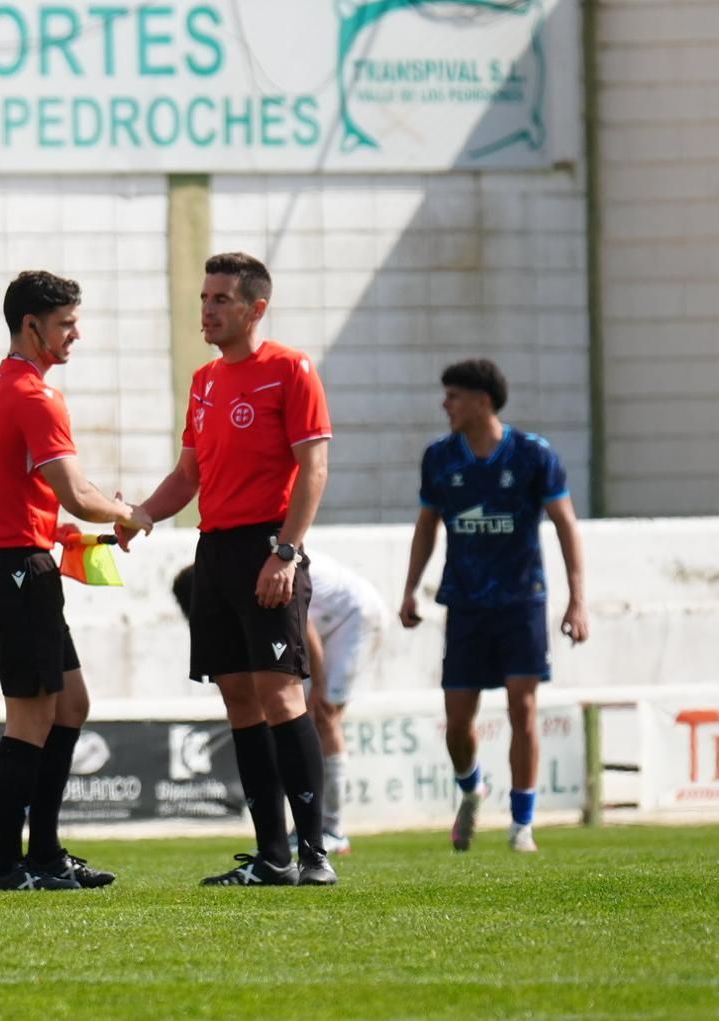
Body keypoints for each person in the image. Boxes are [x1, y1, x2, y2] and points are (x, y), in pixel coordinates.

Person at [120, 251, 336, 887]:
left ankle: (314, 852)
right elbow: (188, 475)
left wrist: (286, 552)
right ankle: (272, 856)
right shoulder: (205, 381)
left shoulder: (290, 370)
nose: (207, 310)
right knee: (239, 699)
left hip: (268, 547)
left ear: (255, 308)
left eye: (221, 299)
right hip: (214, 551)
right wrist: (141, 515)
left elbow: (314, 469)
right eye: (205, 298)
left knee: (280, 693)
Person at [0, 269, 152, 892]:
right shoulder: (33, 394)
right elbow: (76, 492)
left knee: (71, 704)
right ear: (30, 325)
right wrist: (130, 514)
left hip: (17, 565)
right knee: (29, 718)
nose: (76, 334)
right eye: (66, 323)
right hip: (15, 570)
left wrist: (64, 531)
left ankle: (42, 854)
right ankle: (6, 867)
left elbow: (35, 496)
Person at [399, 358, 589, 853]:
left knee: (522, 709)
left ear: (482, 401)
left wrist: (577, 601)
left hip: (521, 601)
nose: (445, 405)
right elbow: (427, 525)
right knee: (458, 720)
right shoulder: (440, 458)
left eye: (453, 396)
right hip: (464, 603)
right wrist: (410, 587)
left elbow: (566, 524)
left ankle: (522, 824)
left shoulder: (532, 455)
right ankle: (471, 787)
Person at [173, 547, 386, 856]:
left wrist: (320, 688)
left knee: (323, 715)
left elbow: (304, 625)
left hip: (354, 616)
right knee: (299, 715)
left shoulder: (242, 571)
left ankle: (332, 829)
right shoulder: (225, 574)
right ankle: (305, 827)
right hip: (320, 621)